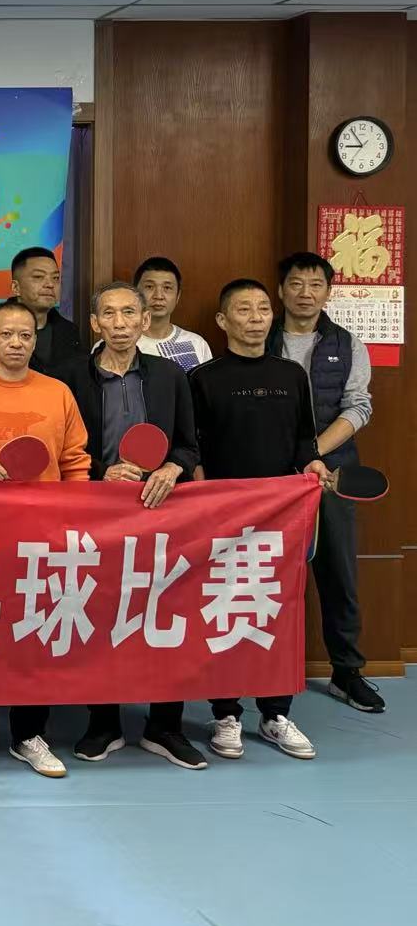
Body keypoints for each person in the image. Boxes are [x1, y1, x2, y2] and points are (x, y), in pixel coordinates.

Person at [55, 283, 206, 771]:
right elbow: (63, 449)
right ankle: (104, 723)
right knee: (100, 611)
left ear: (144, 321)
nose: (119, 323)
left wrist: (173, 467)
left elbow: (189, 443)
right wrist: (102, 473)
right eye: (109, 314)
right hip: (96, 512)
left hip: (161, 512)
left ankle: (166, 725)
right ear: (94, 323)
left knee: (166, 612)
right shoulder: (68, 377)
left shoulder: (170, 376)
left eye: (128, 314)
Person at [0, 299, 88, 779]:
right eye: (6, 334)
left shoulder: (58, 393)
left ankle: (30, 734)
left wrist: (76, 520)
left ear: (35, 341)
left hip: (42, 536)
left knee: (34, 633)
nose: (16, 343)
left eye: (25, 335)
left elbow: (75, 461)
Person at [191, 279, 329, 760]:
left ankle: (275, 714)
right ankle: (226, 713)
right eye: (243, 310)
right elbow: (194, 448)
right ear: (222, 320)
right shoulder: (202, 378)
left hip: (282, 519)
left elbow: (304, 440)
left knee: (279, 610)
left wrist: (313, 463)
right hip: (223, 519)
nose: (255, 318)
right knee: (226, 609)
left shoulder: (291, 374)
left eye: (263, 309)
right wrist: (204, 498)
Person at [266, 252, 381, 713]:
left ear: (328, 293)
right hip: (271, 479)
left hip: (331, 476)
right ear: (281, 290)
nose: (306, 293)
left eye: (316, 285)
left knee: (338, 574)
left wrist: (312, 452)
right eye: (296, 283)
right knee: (267, 574)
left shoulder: (347, 343)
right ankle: (260, 671)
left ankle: (346, 672)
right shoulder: (259, 336)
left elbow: (359, 407)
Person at [0, 247, 81, 373]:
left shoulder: (69, 332)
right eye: (38, 277)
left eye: (55, 278)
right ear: (16, 287)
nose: (50, 284)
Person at [134, 256, 214, 370]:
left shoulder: (196, 343)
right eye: (149, 287)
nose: (158, 296)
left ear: (178, 296)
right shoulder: (121, 342)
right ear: (135, 294)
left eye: (167, 288)